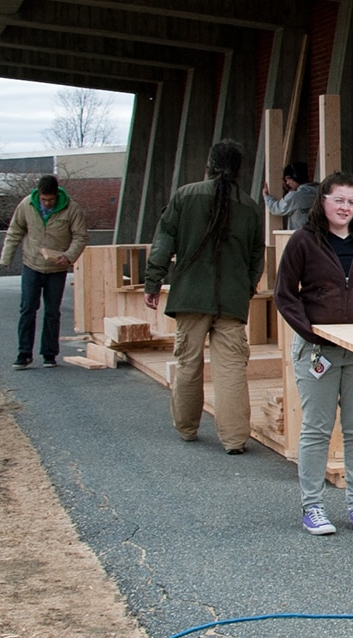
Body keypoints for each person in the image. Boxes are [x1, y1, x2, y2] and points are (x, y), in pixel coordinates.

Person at [274, 171, 353, 535]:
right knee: (316, 429)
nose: (344, 207)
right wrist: (309, 330)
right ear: (323, 201)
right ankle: (312, 507)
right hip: (318, 350)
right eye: (338, 199)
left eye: (351, 201)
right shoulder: (303, 241)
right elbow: (284, 293)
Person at [142, 140, 267, 455]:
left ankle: (187, 429)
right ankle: (235, 439)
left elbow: (163, 241)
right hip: (231, 301)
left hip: (190, 296)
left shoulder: (185, 196)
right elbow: (256, 258)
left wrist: (152, 283)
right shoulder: (250, 207)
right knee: (232, 369)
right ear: (239, 170)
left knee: (188, 363)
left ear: (209, 164)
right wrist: (246, 288)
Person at [0, 174, 88, 369]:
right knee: (28, 308)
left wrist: (69, 256)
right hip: (32, 264)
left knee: (52, 311)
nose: (46, 203)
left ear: (57, 195)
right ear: (38, 195)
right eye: (43, 199)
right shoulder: (26, 206)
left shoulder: (72, 209)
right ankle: (24, 353)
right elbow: (15, 231)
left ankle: (49, 354)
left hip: (57, 267)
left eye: (50, 199)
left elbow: (80, 237)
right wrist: (6, 258)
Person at [263, 161, 317, 230]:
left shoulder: (295, 196)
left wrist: (266, 196)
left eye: (288, 179)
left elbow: (276, 208)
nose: (287, 183)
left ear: (296, 176)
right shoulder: (318, 190)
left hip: (300, 237)